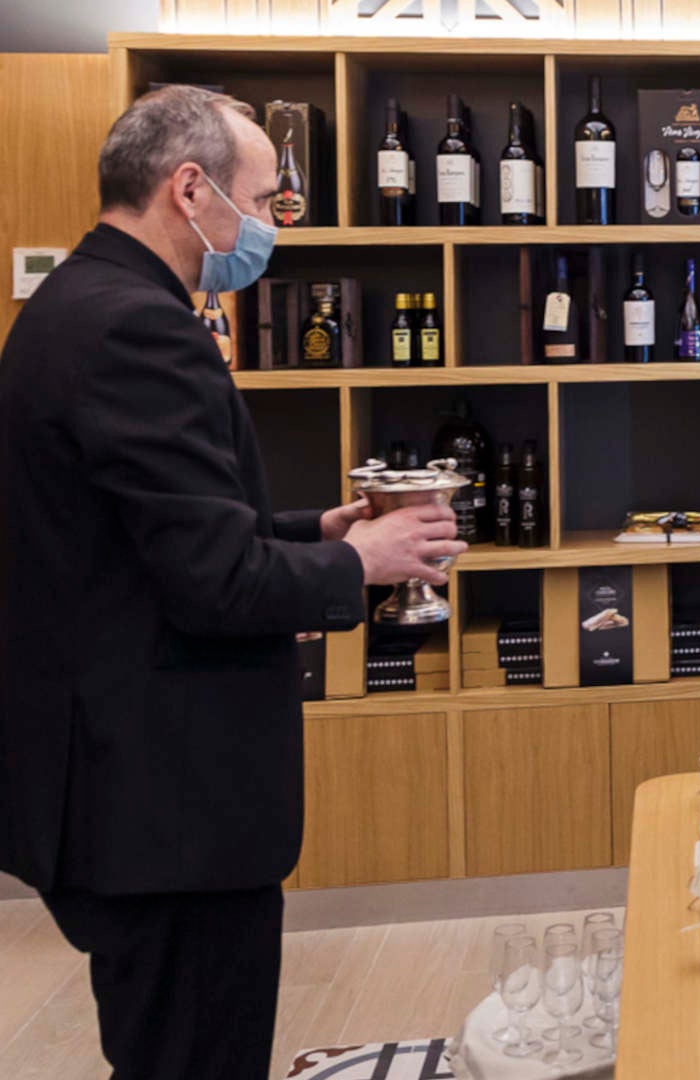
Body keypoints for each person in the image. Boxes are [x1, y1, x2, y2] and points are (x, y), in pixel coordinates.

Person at [0, 86, 464, 1079]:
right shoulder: (137, 328)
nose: (267, 227)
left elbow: (151, 542)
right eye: (260, 202)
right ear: (190, 189)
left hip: (123, 798)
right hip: (166, 812)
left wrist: (317, 530)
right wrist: (362, 562)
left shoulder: (75, 304)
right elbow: (214, 583)